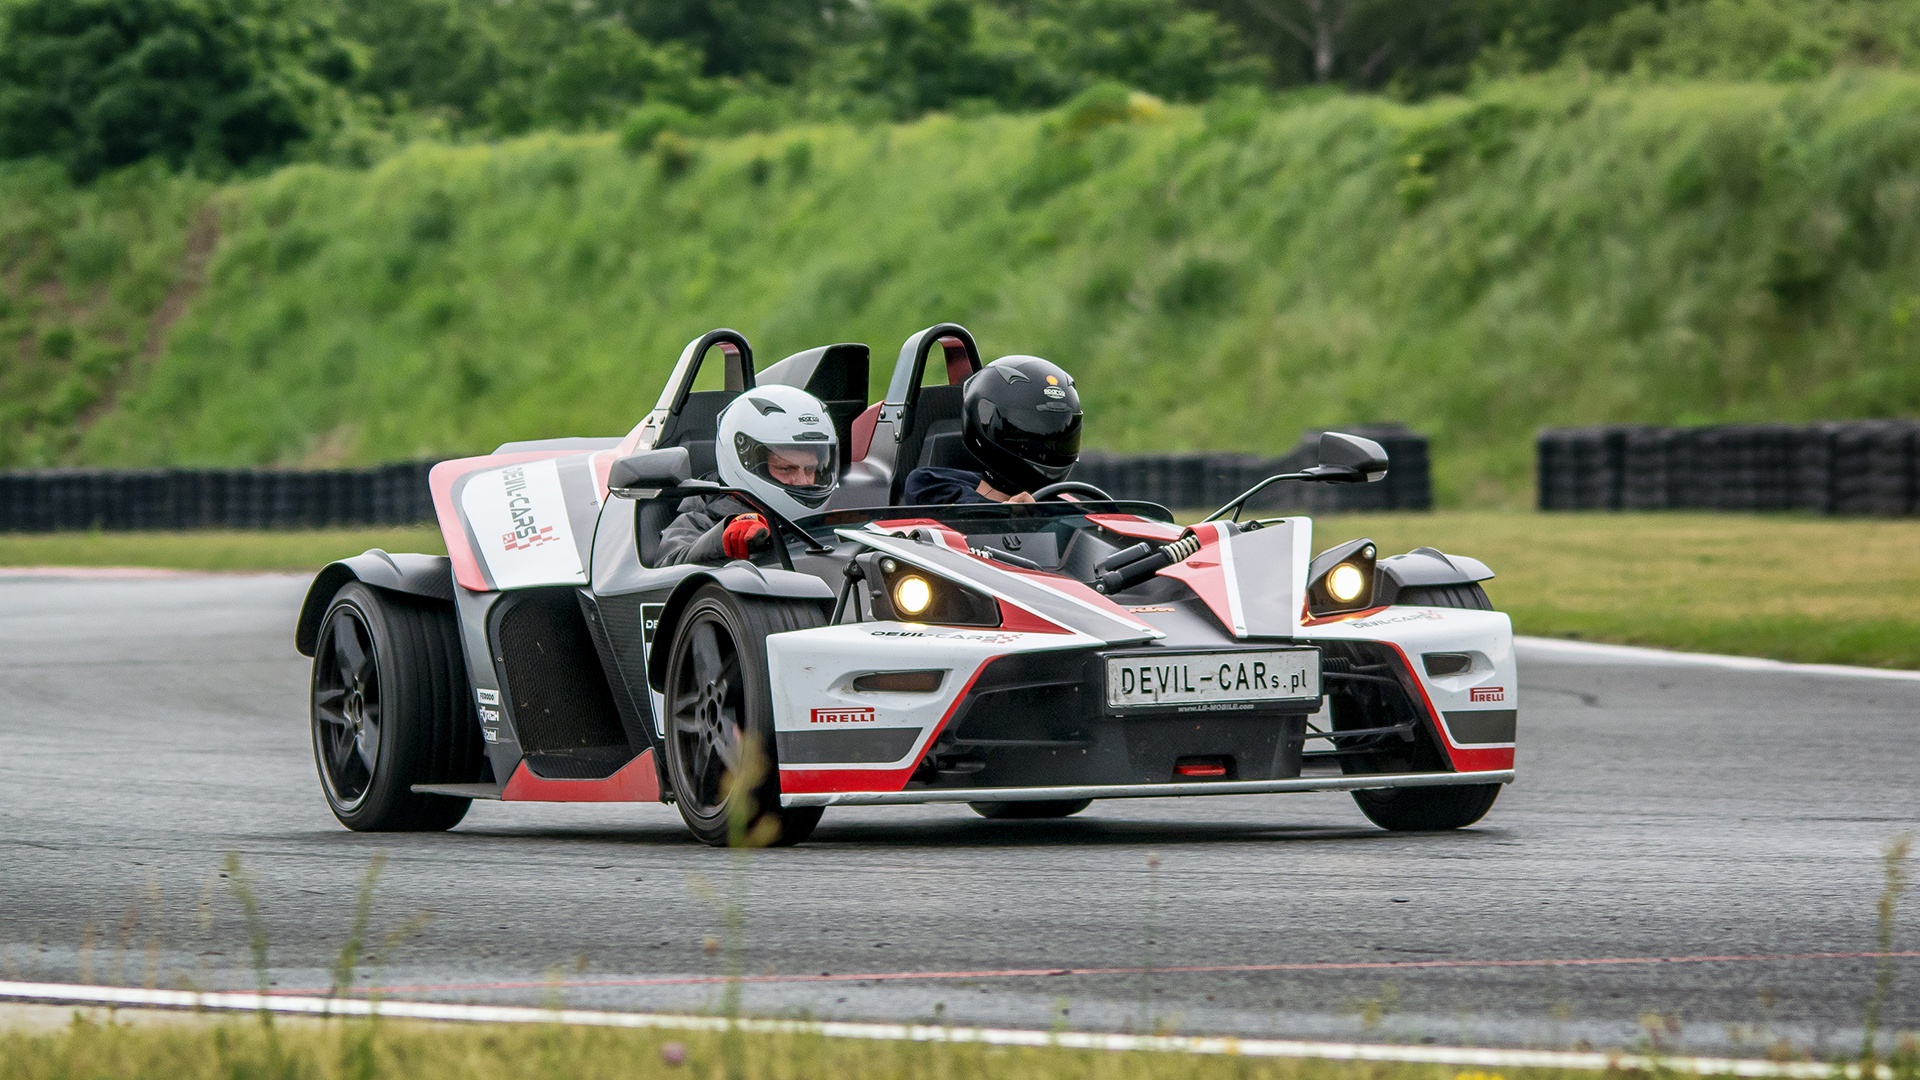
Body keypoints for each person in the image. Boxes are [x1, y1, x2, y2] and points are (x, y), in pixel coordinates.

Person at [656, 385, 839, 565]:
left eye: (810, 469)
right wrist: (725, 534)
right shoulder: (701, 517)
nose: (802, 482)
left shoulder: (833, 515)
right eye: (786, 469)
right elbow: (668, 563)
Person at [902, 355, 1082, 505]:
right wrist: (1000, 511)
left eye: (1062, 431)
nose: (1049, 446)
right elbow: (921, 485)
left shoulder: (1063, 508)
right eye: (1037, 427)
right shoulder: (928, 484)